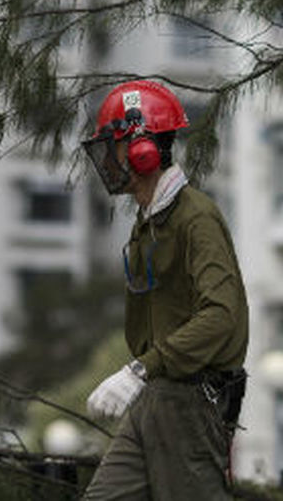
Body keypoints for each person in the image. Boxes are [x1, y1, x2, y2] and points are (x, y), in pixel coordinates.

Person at [79, 79, 249, 500]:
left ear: (142, 149)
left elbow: (220, 316)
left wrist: (139, 369)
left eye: (114, 145)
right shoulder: (150, 220)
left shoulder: (195, 218)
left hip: (191, 402)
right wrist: (143, 373)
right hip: (156, 393)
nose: (108, 158)